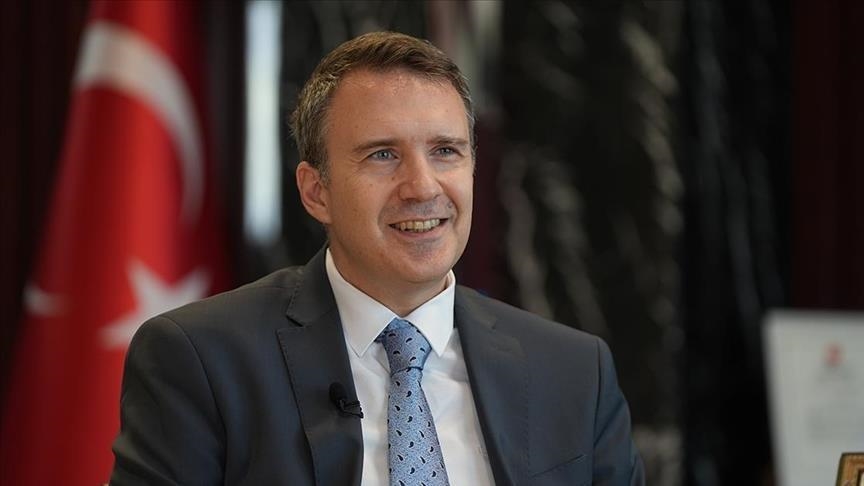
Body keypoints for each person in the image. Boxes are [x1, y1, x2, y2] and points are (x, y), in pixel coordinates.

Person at [110, 31, 644, 485]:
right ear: (316, 191)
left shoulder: (575, 372)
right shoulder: (201, 362)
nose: (422, 187)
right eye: (383, 155)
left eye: (445, 151)